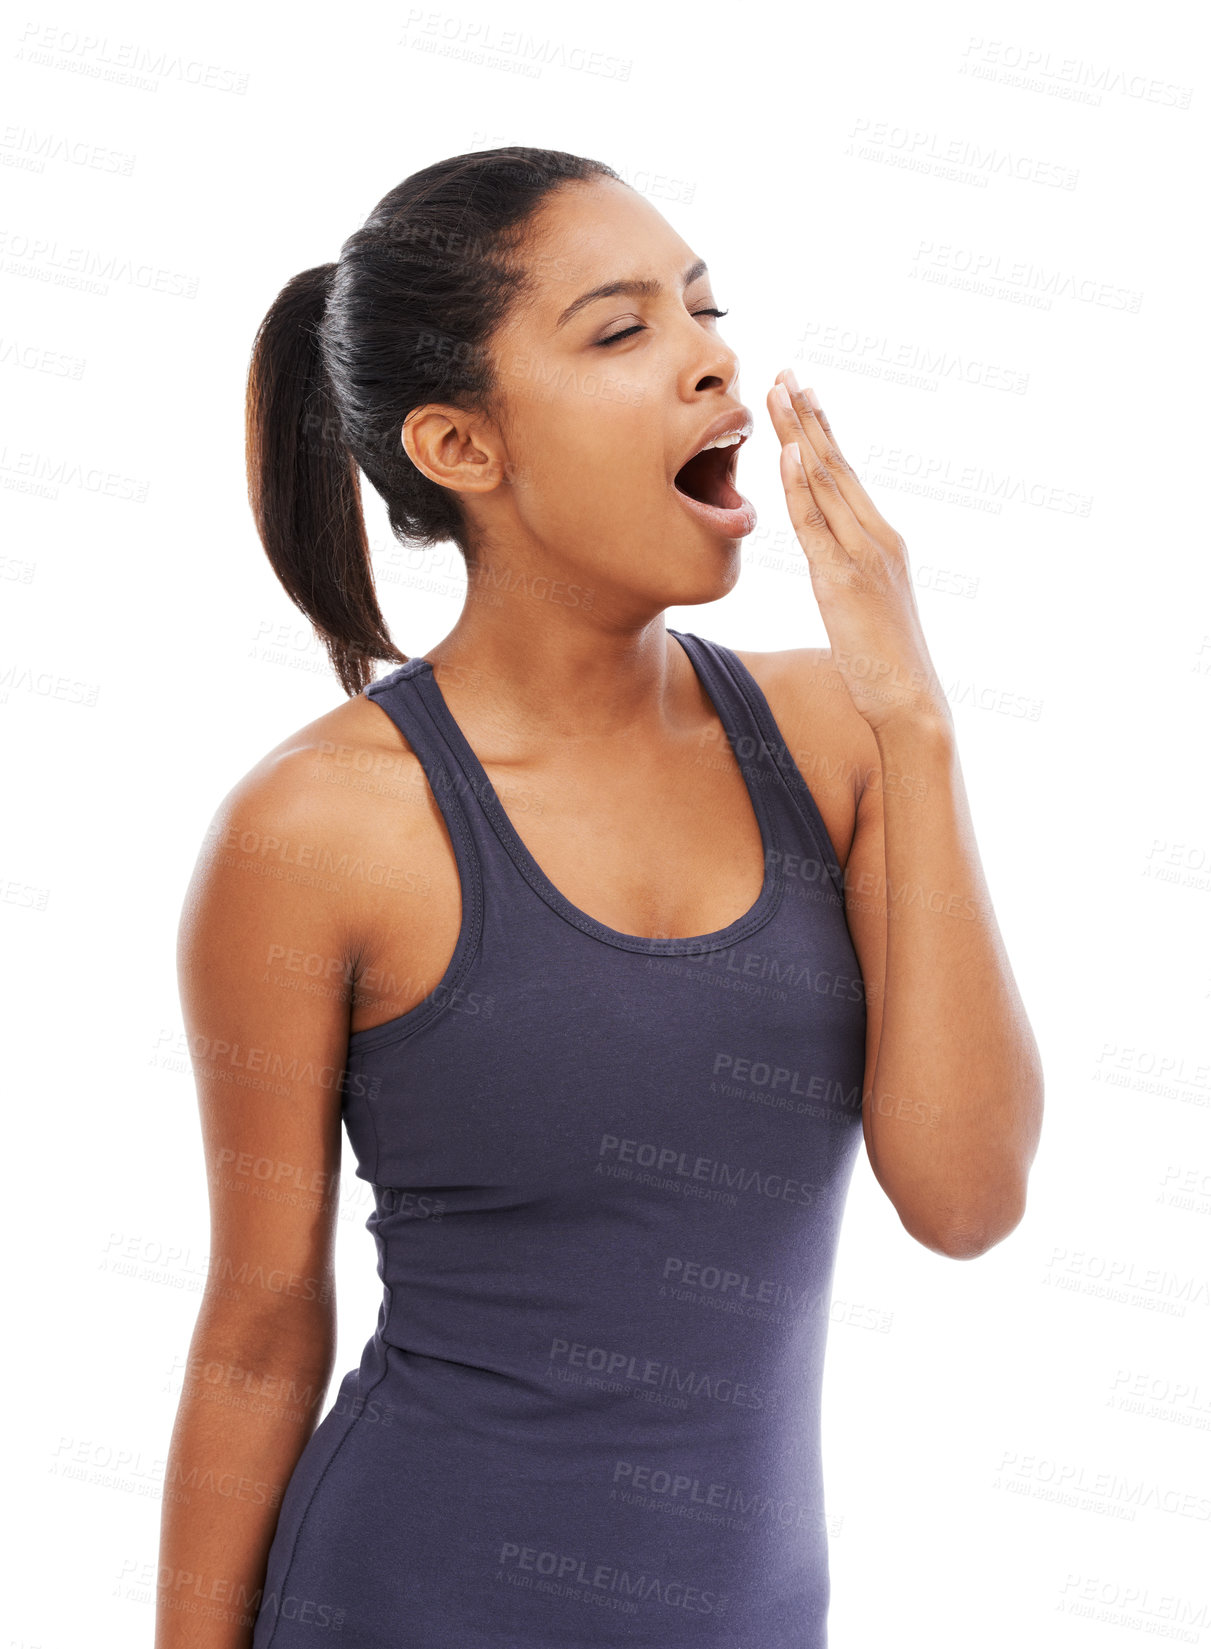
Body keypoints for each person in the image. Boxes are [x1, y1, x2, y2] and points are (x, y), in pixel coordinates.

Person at [155, 146, 1043, 1648]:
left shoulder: (839, 742)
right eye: (624, 330)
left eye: (704, 309)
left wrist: (920, 721)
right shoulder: (319, 825)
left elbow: (965, 1199)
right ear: (460, 444)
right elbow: (257, 1330)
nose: (714, 361)